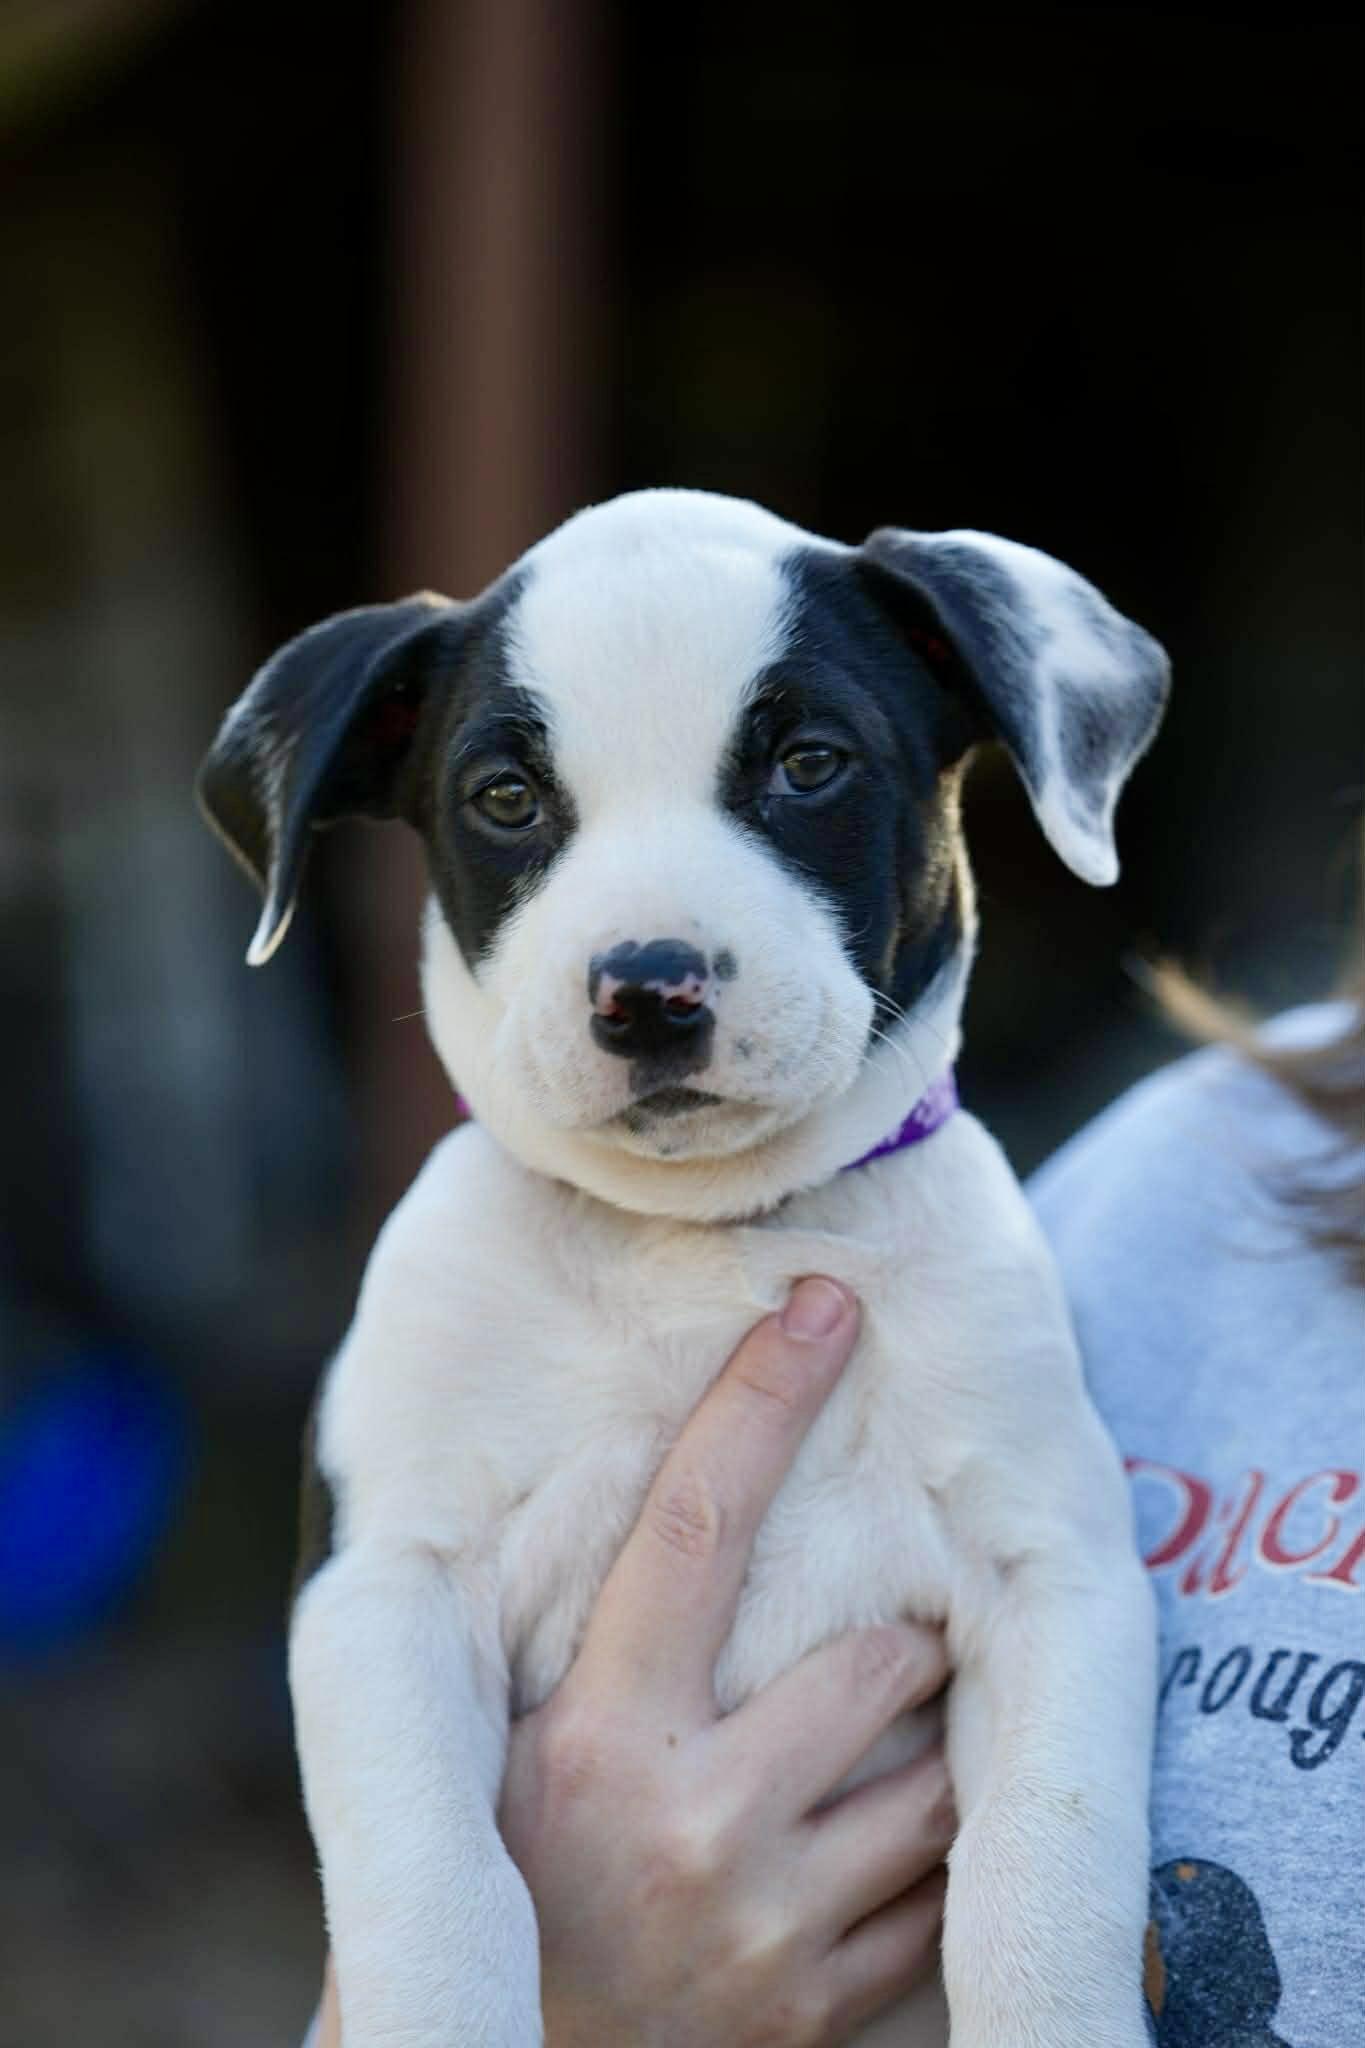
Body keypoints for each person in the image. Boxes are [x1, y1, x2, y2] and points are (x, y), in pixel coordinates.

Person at [311, 996, 1363, 2047]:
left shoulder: (1035, 1199)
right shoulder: (1199, 1153)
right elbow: (388, 1610)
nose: (652, 978)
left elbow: (1049, 1581)